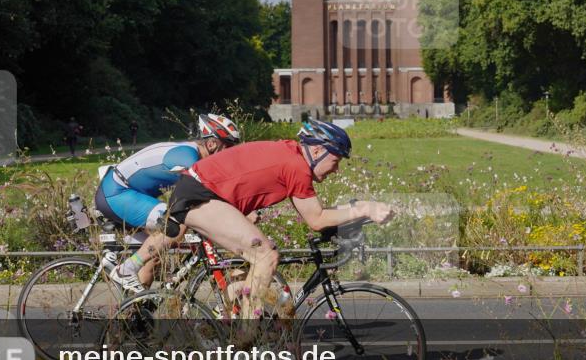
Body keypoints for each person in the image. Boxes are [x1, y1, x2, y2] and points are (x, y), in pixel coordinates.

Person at [165, 119, 393, 319]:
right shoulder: (296, 166)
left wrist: (355, 212)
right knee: (266, 256)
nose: (337, 170)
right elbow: (317, 219)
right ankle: (247, 340)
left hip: (203, 193)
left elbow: (316, 213)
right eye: (336, 160)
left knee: (252, 274)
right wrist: (364, 208)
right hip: (199, 195)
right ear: (316, 152)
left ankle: (225, 326)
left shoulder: (292, 158)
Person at [99, 113, 241, 293]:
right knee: (175, 226)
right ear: (212, 144)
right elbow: (204, 195)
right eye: (228, 147)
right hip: (116, 194)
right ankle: (125, 270)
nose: (230, 155)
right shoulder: (188, 157)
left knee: (154, 256)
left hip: (127, 194)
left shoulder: (193, 154)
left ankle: (136, 314)